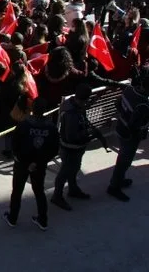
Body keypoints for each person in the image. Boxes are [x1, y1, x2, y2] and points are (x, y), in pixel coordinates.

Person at [3, 97, 59, 231]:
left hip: (22, 164)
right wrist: (39, 162)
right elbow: (54, 149)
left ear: (32, 109)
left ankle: (13, 217)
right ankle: (43, 219)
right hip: (39, 165)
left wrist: (22, 160)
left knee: (17, 191)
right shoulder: (51, 127)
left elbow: (14, 144)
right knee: (39, 191)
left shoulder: (24, 125)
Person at [51, 83, 107, 211]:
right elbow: (72, 137)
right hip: (70, 148)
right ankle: (57, 196)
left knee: (75, 168)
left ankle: (73, 188)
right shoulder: (72, 113)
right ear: (83, 99)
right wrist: (91, 136)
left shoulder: (74, 104)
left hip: (76, 148)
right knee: (64, 172)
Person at [107, 66, 149, 202]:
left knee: (122, 159)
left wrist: (123, 116)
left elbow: (117, 103)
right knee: (124, 161)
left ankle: (120, 179)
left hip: (120, 128)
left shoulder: (129, 89)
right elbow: (135, 125)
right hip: (130, 136)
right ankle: (114, 187)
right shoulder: (143, 104)